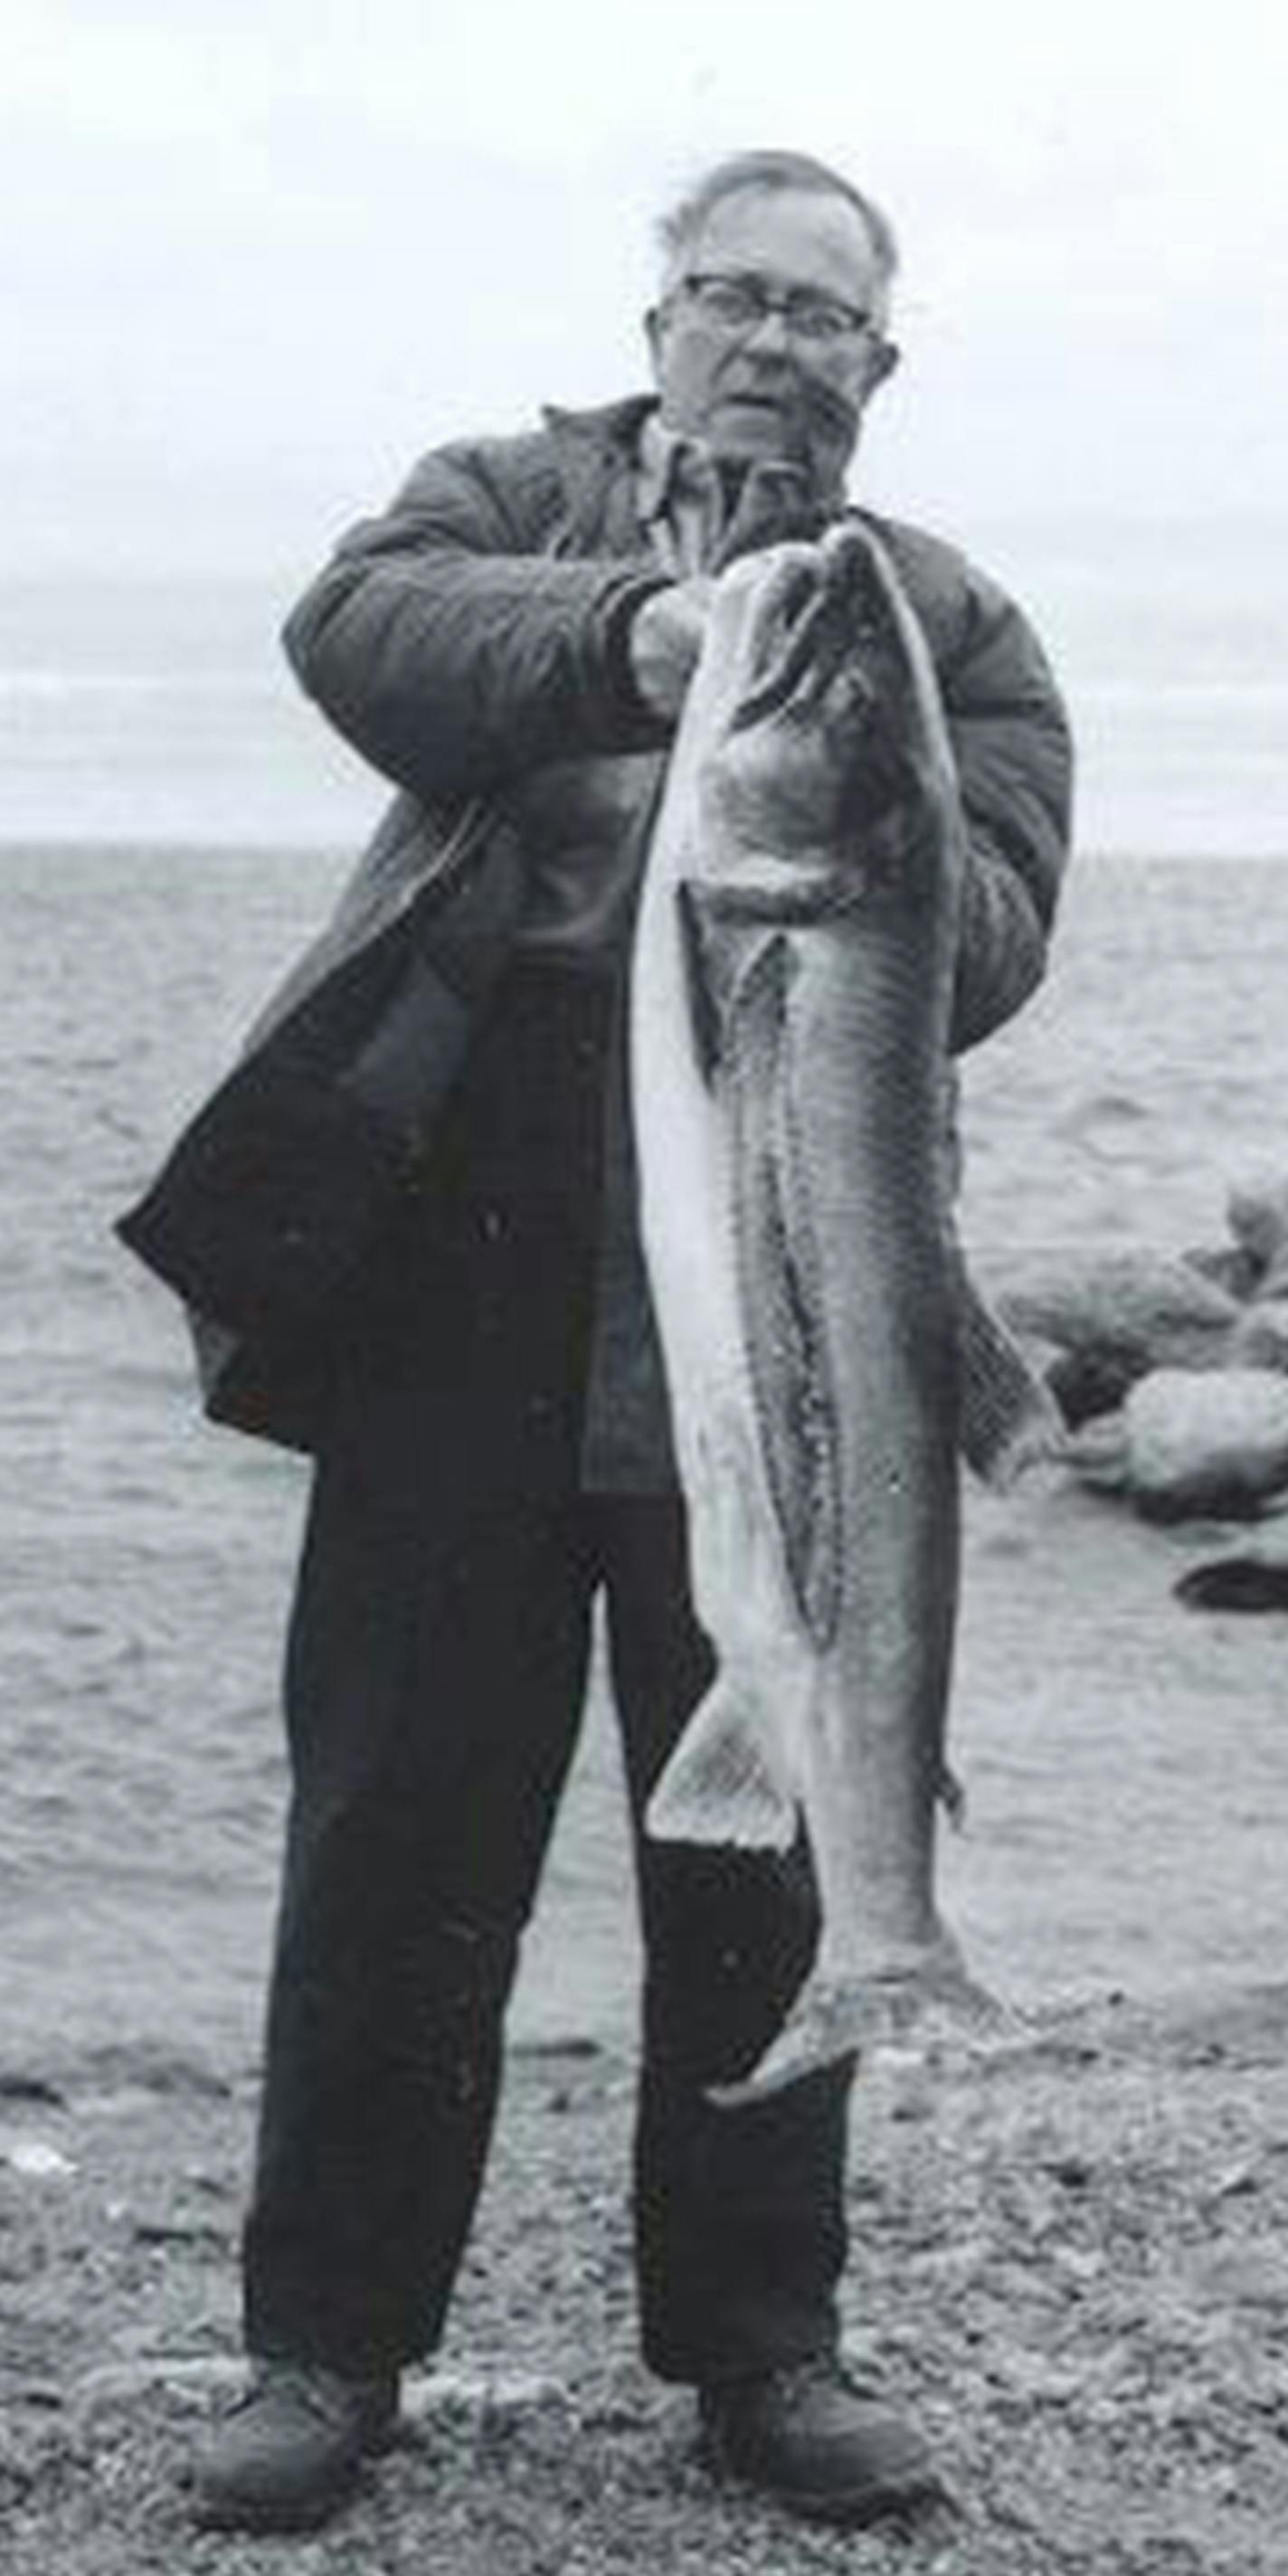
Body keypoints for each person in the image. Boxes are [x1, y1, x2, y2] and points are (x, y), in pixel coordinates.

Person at [118, 147, 1072, 2535]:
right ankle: (325, 2351)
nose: (773, 339)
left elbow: (997, 935)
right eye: (731, 294)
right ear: (658, 321)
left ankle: (765, 2343)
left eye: (824, 313)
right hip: (470, 1211)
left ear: (884, 360)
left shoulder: (943, 621)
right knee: (398, 1823)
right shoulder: (498, 500)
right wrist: (640, 639)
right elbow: (365, 637)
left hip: (771, 1233)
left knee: (761, 1816)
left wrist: (852, 788)